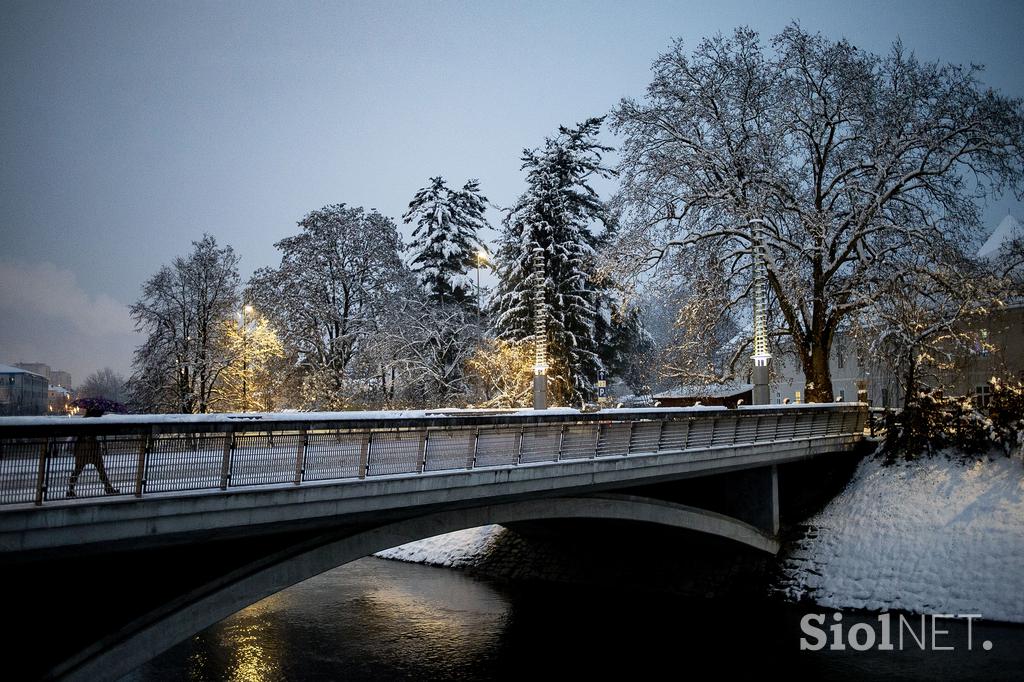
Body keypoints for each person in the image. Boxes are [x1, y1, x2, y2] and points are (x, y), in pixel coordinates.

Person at [67, 407, 119, 497]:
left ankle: (70, 490)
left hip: (82, 450)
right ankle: (108, 488)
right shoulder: (94, 421)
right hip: (92, 449)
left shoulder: (84, 421)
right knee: (101, 470)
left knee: (77, 470)